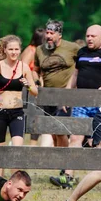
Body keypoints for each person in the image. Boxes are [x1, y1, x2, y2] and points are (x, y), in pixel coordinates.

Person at [49, 25, 101, 188]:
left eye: (93, 36)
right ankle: (68, 177)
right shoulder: (81, 53)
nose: (89, 38)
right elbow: (75, 75)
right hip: (81, 102)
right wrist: (68, 95)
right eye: (87, 35)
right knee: (75, 137)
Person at [0, 35, 38, 176]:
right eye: (11, 49)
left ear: (20, 50)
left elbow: (35, 92)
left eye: (16, 49)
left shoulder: (24, 67)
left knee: (17, 147)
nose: (14, 52)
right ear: (5, 50)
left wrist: (28, 86)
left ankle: (14, 179)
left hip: (17, 113)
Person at [33, 20, 80, 148]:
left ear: (59, 35)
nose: (48, 36)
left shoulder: (72, 48)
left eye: (51, 33)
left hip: (66, 94)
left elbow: (83, 64)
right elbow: (35, 70)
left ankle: (63, 161)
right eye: (47, 33)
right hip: (48, 95)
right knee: (53, 130)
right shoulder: (39, 50)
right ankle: (59, 160)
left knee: (60, 130)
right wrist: (36, 82)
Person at [19, 28, 45, 146]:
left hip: (35, 87)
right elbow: (22, 68)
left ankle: (33, 144)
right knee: (28, 115)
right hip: (28, 88)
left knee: (36, 115)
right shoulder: (31, 50)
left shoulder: (39, 51)